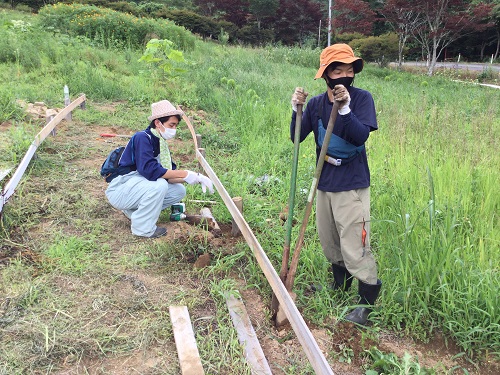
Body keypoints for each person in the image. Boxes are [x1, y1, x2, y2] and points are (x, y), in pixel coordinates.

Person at [290, 44, 381, 325]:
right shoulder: (317, 103)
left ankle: (366, 303)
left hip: (351, 184)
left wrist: (344, 110)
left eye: (349, 69)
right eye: (337, 69)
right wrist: (296, 110)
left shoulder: (362, 99)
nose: (344, 75)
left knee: (354, 244)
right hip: (324, 182)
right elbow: (296, 138)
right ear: (325, 74)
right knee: (330, 241)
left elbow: (358, 137)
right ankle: (339, 286)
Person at [105, 99, 214, 238]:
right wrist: (186, 173)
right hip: (120, 189)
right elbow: (151, 171)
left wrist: (195, 178)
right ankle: (142, 229)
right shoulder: (142, 138)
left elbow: (168, 175)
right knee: (160, 185)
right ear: (158, 122)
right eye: (171, 125)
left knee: (179, 190)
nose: (174, 129)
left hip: (135, 187)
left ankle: (133, 212)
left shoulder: (160, 143)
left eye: (176, 126)